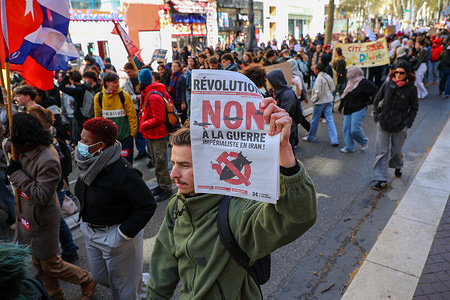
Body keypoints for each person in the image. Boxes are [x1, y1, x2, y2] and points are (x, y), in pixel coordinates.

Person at [146, 98, 317, 299]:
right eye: (173, 163)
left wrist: (285, 154)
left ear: (210, 165)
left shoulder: (237, 211)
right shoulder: (176, 205)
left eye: (184, 166)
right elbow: (161, 274)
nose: (173, 173)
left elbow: (299, 217)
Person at [6, 113, 96, 300]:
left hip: (41, 218)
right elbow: (5, 140)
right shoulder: (21, 148)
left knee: (51, 263)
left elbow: (42, 195)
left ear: (26, 136)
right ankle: (56, 296)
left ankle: (86, 279)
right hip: (26, 214)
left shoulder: (47, 158)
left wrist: (17, 175)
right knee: (39, 263)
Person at [74, 117, 156, 299]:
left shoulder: (123, 172)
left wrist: (122, 235)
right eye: (81, 139)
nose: (80, 144)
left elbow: (147, 204)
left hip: (117, 236)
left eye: (85, 141)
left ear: (101, 145)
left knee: (124, 293)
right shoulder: (87, 164)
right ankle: (139, 283)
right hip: (90, 232)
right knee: (101, 277)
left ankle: (138, 286)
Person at [27, 106, 80, 262]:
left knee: (54, 221)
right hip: (54, 188)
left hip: (54, 189)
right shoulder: (37, 140)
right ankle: (68, 249)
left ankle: (63, 252)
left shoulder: (47, 142)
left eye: (31, 118)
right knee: (57, 220)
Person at [371, 61, 419, 190]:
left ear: (407, 74)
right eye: (396, 72)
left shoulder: (412, 89)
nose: (398, 74)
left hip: (400, 125)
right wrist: (377, 116)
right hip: (383, 123)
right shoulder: (387, 84)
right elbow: (376, 100)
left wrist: (407, 123)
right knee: (381, 151)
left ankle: (398, 166)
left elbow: (414, 108)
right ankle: (381, 178)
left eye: (401, 72)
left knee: (396, 151)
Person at [138, 69, 174, 202]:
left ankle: (166, 188)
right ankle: (161, 185)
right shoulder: (146, 93)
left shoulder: (152, 96)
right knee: (155, 161)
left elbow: (158, 118)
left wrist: (143, 125)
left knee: (160, 162)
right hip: (151, 134)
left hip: (158, 134)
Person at [94, 72, 137, 164]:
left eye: (117, 82)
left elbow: (132, 116)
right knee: (112, 164)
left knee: (127, 163)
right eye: (114, 82)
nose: (117, 84)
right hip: (109, 140)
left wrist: (132, 133)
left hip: (125, 138)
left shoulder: (124, 96)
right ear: (107, 83)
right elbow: (98, 118)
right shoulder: (99, 97)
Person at [338, 66, 378, 153]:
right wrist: (341, 107)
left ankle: (363, 141)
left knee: (354, 129)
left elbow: (376, 92)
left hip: (359, 108)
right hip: (348, 109)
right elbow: (345, 95)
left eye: (349, 72)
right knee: (346, 129)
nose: (347, 74)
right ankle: (349, 146)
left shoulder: (364, 83)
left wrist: (369, 102)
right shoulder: (349, 82)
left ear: (355, 73)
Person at [302, 63, 339, 146]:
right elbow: (333, 88)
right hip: (328, 100)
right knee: (330, 120)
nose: (313, 70)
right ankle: (334, 139)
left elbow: (318, 93)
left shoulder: (319, 79)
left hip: (320, 102)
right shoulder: (328, 76)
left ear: (318, 70)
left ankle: (311, 136)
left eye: (314, 69)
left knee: (315, 120)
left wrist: (313, 99)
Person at [266, 69, 299, 151]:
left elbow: (284, 111)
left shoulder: (287, 94)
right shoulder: (276, 91)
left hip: (288, 127)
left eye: (269, 81)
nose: (268, 83)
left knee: (288, 151)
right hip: (281, 127)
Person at [123, 62, 149, 161]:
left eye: (129, 72)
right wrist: (136, 97)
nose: (128, 74)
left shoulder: (142, 77)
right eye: (126, 72)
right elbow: (128, 95)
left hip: (145, 107)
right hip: (136, 108)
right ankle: (141, 150)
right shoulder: (127, 82)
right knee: (138, 130)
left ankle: (148, 151)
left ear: (134, 70)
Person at [58, 69, 90, 143]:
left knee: (78, 136)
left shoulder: (76, 91)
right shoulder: (85, 86)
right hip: (86, 113)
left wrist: (66, 76)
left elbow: (61, 87)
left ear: (71, 80)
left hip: (79, 115)